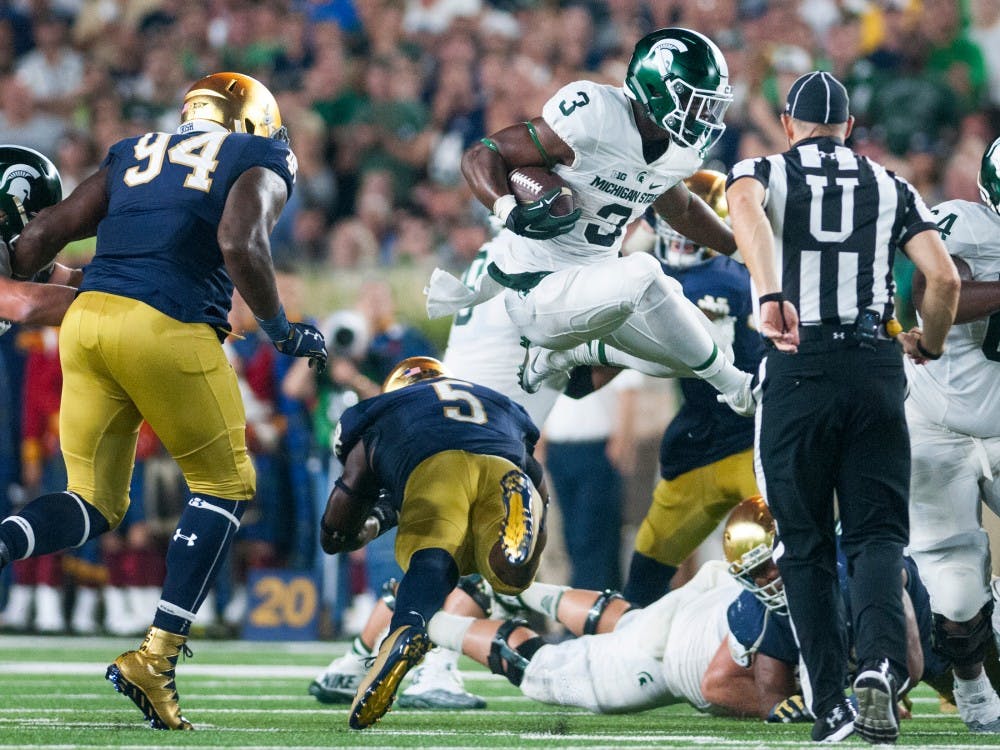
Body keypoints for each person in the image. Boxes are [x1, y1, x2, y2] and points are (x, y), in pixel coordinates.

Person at [5, 72, 328, 730]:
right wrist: (282, 327)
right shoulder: (260, 154)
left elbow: (42, 236)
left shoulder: (133, 149)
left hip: (88, 325)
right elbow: (242, 242)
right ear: (249, 120)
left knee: (95, 502)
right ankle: (156, 658)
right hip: (169, 324)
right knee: (228, 484)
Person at [726, 70, 960, 744]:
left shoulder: (763, 167)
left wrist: (771, 293)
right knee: (877, 536)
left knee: (803, 546)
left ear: (789, 121)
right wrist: (929, 342)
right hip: (874, 366)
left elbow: (741, 203)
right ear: (850, 128)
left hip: (799, 365)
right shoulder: (890, 184)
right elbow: (941, 278)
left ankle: (830, 702)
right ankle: (884, 665)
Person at [424, 27, 755, 416]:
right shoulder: (594, 115)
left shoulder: (676, 153)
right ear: (657, 89)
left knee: (711, 342)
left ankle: (555, 360)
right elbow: (484, 152)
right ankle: (738, 389)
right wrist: (506, 209)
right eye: (694, 101)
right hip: (538, 290)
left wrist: (742, 249)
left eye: (708, 105)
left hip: (596, 291)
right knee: (644, 273)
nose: (702, 115)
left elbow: (681, 208)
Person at [318, 356, 548, 730]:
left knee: (430, 552)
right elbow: (538, 482)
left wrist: (334, 535)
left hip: (437, 467)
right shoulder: (495, 401)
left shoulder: (383, 409)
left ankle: (405, 628)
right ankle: (517, 549)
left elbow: (353, 484)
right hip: (506, 466)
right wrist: (540, 525)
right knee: (508, 576)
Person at [620, 169, 764, 606]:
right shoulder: (670, 272)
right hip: (703, 442)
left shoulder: (728, 277)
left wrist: (631, 250)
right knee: (646, 573)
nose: (680, 237)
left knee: (778, 562)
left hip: (750, 441)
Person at [901, 134, 1000, 734]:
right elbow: (934, 290)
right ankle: (970, 683)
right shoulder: (964, 223)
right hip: (938, 431)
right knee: (958, 599)